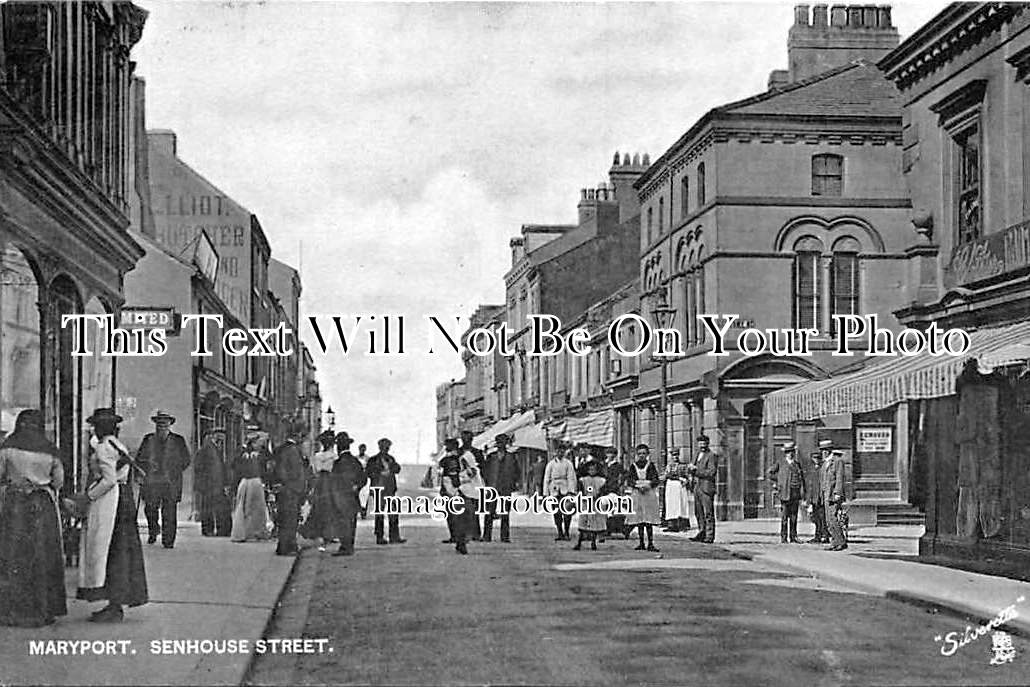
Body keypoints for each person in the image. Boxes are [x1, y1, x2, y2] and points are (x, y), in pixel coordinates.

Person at [77, 408, 148, 622]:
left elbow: (108, 480)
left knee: (107, 549)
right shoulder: (117, 445)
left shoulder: (102, 448)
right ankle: (115, 602)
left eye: (96, 427)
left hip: (110, 503)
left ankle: (113, 605)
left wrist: (88, 496)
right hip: (123, 500)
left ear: (100, 428)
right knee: (121, 552)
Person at [0, 410, 67, 627]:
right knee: (43, 556)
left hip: (15, 504)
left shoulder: (7, 448)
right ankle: (44, 610)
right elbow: (58, 482)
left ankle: (12, 611)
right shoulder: (50, 451)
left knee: (13, 555)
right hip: (41, 506)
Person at [136, 409, 191, 548]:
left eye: (165, 424)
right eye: (159, 424)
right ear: (155, 425)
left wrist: (175, 471)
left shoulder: (178, 440)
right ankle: (153, 530)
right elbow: (139, 460)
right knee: (150, 509)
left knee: (169, 511)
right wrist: (142, 473)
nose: (162, 426)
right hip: (152, 481)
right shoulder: (148, 439)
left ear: (169, 425)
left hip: (170, 483)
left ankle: (168, 540)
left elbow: (186, 459)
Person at [272, 422, 308, 556]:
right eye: (302, 436)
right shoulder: (292, 450)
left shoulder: (283, 448)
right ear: (297, 435)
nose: (303, 440)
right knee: (290, 520)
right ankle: (287, 547)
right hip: (291, 491)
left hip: (287, 490)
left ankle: (285, 546)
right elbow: (293, 472)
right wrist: (295, 487)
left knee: (286, 519)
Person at [231, 428, 272, 542]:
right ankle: (254, 532)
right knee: (255, 508)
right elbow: (267, 468)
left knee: (245, 508)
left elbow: (234, 467)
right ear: (254, 443)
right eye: (259, 443)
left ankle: (244, 532)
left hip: (244, 482)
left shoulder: (242, 453)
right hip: (255, 482)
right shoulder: (259, 455)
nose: (261, 445)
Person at [302, 430, 339, 551]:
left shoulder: (317, 456)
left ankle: (319, 532)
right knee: (332, 506)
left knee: (319, 507)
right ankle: (330, 533)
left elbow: (315, 470)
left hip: (320, 482)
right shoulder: (334, 456)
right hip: (331, 481)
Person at [439, 438, 477, 554]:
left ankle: (460, 541)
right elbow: (445, 477)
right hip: (456, 491)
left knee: (460, 518)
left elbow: (472, 473)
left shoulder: (461, 459)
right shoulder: (448, 460)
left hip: (459, 491)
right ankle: (460, 541)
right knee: (459, 518)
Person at [330, 432, 365, 556]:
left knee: (343, 522)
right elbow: (363, 478)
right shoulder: (355, 461)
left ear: (339, 447)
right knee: (350, 521)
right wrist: (356, 487)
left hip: (340, 497)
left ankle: (346, 546)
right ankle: (349, 545)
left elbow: (333, 481)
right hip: (352, 497)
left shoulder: (338, 463)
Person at [366, 438, 405, 544]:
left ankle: (394, 536)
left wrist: (392, 467)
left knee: (393, 512)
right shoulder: (373, 460)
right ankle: (379, 537)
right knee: (379, 514)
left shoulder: (390, 459)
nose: (386, 449)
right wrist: (380, 473)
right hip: (378, 489)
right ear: (380, 447)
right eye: (384, 447)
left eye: (387, 447)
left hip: (390, 489)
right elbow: (368, 472)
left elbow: (397, 469)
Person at [482, 433, 519, 543]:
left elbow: (517, 472)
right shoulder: (491, 457)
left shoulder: (511, 457)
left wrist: (513, 483)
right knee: (489, 512)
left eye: (503, 443)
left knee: (505, 513)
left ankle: (505, 536)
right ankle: (487, 535)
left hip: (506, 487)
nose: (501, 445)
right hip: (492, 487)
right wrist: (487, 483)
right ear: (496, 444)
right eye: (499, 443)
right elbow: (485, 471)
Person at [194, 428, 231, 537]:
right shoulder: (206, 448)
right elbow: (198, 467)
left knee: (217, 507)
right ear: (214, 436)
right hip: (209, 484)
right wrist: (203, 483)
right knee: (207, 508)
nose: (222, 438)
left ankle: (219, 530)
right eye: (220, 435)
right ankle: (208, 530)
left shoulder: (217, 448)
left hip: (217, 484)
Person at [626, 443, 661, 552]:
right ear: (637, 454)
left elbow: (656, 479)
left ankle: (650, 543)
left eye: (644, 453)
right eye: (639, 453)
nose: (642, 456)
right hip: (637, 494)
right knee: (640, 519)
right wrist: (636, 486)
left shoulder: (651, 466)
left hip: (648, 493)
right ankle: (641, 542)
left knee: (648, 519)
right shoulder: (633, 466)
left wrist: (648, 485)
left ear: (647, 454)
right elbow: (629, 480)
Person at [769, 441, 806, 544]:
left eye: (792, 451)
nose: (790, 454)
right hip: (785, 493)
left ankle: (794, 536)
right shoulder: (780, 463)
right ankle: (784, 537)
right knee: (785, 517)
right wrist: (778, 482)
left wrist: (802, 492)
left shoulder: (797, 464)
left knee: (794, 516)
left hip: (795, 493)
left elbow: (801, 478)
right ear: (785, 453)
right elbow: (770, 473)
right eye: (788, 452)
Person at [688, 435, 718, 543]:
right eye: (700, 443)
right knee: (698, 512)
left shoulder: (711, 456)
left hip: (706, 487)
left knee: (708, 513)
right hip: (697, 487)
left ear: (708, 443)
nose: (702, 445)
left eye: (704, 443)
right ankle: (701, 532)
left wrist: (696, 470)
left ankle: (709, 536)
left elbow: (711, 472)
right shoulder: (696, 455)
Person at [543, 448, 577, 541]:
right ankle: (560, 532)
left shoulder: (568, 464)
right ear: (555, 452)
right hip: (554, 489)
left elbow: (571, 477)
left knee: (567, 511)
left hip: (565, 488)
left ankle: (566, 531)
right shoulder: (551, 464)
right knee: (556, 512)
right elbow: (546, 479)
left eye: (562, 451)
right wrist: (545, 493)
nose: (560, 453)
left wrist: (571, 491)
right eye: (558, 451)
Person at [574, 460, 607, 551]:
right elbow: (580, 490)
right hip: (586, 503)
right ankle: (579, 542)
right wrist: (583, 497)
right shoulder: (583, 480)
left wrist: (599, 496)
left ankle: (593, 542)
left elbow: (603, 491)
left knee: (594, 524)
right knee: (583, 522)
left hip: (596, 503)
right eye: (590, 470)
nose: (592, 471)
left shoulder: (601, 480)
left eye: (594, 470)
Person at [822, 442, 849, 551]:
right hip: (826, 494)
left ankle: (841, 542)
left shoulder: (837, 462)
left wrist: (838, 492)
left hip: (833, 494)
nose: (823, 452)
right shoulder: (825, 463)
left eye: (825, 450)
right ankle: (834, 542)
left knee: (833, 518)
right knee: (829, 520)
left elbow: (840, 478)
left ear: (828, 451)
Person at [459, 430, 484, 540]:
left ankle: (475, 533)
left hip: (475, 485)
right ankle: (464, 533)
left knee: (474, 510)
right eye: (464, 439)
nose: (466, 441)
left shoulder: (477, 453)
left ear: (472, 439)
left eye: (468, 439)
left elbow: (483, 468)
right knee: (462, 510)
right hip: (462, 484)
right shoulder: (458, 452)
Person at [662, 448, 693, 533]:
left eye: (676, 455)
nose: (675, 457)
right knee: (671, 505)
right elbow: (666, 475)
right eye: (673, 455)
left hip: (679, 486)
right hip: (671, 486)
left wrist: (686, 481)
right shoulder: (668, 466)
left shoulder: (683, 466)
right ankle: (671, 525)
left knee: (681, 504)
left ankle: (683, 525)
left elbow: (687, 476)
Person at [602, 447, 629, 539]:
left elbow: (625, 474)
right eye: (609, 453)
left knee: (612, 507)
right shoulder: (603, 465)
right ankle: (604, 528)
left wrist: (620, 483)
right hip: (604, 488)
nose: (611, 455)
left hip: (613, 488)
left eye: (613, 454)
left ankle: (610, 528)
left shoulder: (617, 465)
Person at [805, 448, 829, 544]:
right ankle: (817, 536)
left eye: (818, 458)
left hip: (821, 497)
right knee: (815, 518)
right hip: (814, 498)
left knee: (823, 518)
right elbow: (809, 486)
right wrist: (808, 500)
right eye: (814, 458)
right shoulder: (811, 469)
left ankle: (825, 536)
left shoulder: (823, 468)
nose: (816, 460)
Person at [357, 443, 370, 518]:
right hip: (358, 477)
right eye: (361, 449)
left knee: (365, 494)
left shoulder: (367, 459)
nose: (362, 450)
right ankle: (359, 509)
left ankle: (364, 511)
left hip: (365, 477)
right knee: (358, 494)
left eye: (363, 449)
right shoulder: (356, 458)